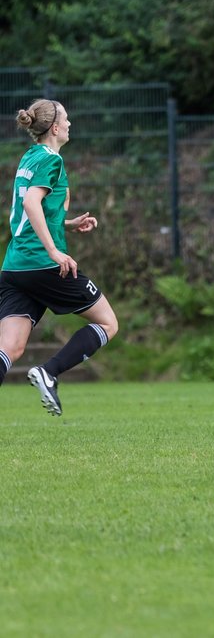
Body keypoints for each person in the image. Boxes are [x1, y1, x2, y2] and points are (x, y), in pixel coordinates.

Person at [0, 99, 120, 416]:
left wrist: (66, 224)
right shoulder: (52, 161)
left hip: (15, 267)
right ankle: (49, 372)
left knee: (9, 347)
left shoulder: (30, 157)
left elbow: (30, 211)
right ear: (55, 127)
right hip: (43, 263)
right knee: (108, 323)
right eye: (66, 118)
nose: (70, 124)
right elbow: (31, 205)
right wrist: (54, 249)